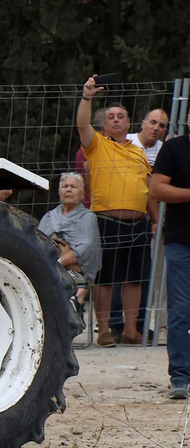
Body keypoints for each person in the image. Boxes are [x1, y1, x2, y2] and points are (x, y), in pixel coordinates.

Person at [77, 76, 154, 346]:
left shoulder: (138, 152)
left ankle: (131, 331)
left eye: (121, 116)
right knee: (106, 279)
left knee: (134, 279)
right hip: (107, 220)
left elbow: (148, 187)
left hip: (139, 223)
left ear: (129, 124)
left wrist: (154, 219)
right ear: (105, 123)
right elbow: (82, 124)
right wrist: (87, 97)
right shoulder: (96, 144)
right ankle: (104, 331)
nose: (117, 119)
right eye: (111, 116)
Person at [149, 116, 190, 400]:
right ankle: (180, 377)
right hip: (181, 242)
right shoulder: (173, 148)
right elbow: (157, 189)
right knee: (180, 312)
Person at [38, 172, 99, 306]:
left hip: (74, 271)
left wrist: (58, 262)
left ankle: (77, 299)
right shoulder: (49, 217)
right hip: (48, 268)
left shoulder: (88, 218)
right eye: (65, 186)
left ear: (82, 193)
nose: (69, 189)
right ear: (59, 191)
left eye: (73, 186)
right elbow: (38, 242)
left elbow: (85, 248)